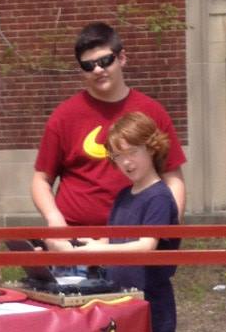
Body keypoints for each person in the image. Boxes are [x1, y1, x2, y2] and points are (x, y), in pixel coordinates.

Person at [64, 111, 180, 332]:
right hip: (123, 306)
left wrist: (101, 248)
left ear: (152, 148)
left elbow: (146, 245)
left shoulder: (159, 197)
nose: (126, 162)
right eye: (117, 155)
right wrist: (89, 248)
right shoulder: (124, 196)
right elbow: (116, 240)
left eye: (132, 152)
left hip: (151, 306)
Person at [32, 21, 186, 250]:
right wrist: (55, 220)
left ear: (121, 58)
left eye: (105, 61)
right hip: (76, 242)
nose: (97, 70)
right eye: (88, 65)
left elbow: (172, 177)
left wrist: (166, 231)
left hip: (133, 241)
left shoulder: (152, 111)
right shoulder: (64, 116)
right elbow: (41, 179)